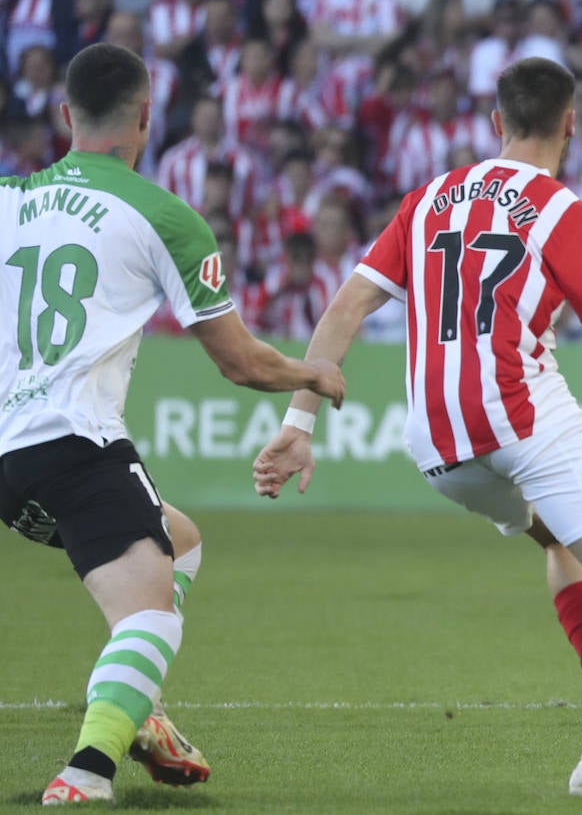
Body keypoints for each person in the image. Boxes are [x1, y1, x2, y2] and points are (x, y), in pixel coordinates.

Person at [250, 57, 582, 796]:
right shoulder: (564, 213)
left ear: (494, 123)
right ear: (571, 123)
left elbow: (344, 308)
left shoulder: (430, 198)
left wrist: (300, 420)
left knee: (559, 537)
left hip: (437, 446)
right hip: (524, 424)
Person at [0, 43, 346, 806]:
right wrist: (311, 374)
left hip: (8, 454)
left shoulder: (7, 198)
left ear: (66, 116)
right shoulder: (164, 214)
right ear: (147, 120)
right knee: (152, 620)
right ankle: (87, 773)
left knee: (179, 541)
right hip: (76, 442)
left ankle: (142, 716)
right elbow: (241, 364)